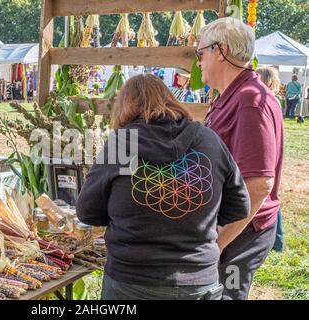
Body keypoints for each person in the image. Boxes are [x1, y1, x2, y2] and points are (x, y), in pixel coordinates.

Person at [76, 74, 250, 300]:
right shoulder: (209, 139)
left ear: (125, 107)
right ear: (170, 100)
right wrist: (194, 218)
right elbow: (239, 206)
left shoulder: (121, 143)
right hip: (199, 281)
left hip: (131, 280)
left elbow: (87, 212)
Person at [197, 17, 284, 300]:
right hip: (229, 226)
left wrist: (219, 242)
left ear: (220, 51)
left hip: (240, 233)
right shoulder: (233, 95)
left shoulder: (249, 101)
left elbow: (258, 185)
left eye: (201, 53)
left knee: (225, 296)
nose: (198, 62)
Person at [256, 66, 284, 253]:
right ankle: (277, 240)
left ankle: (277, 239)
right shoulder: (273, 100)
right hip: (272, 151)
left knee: (268, 196)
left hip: (269, 152)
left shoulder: (267, 101)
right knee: (271, 195)